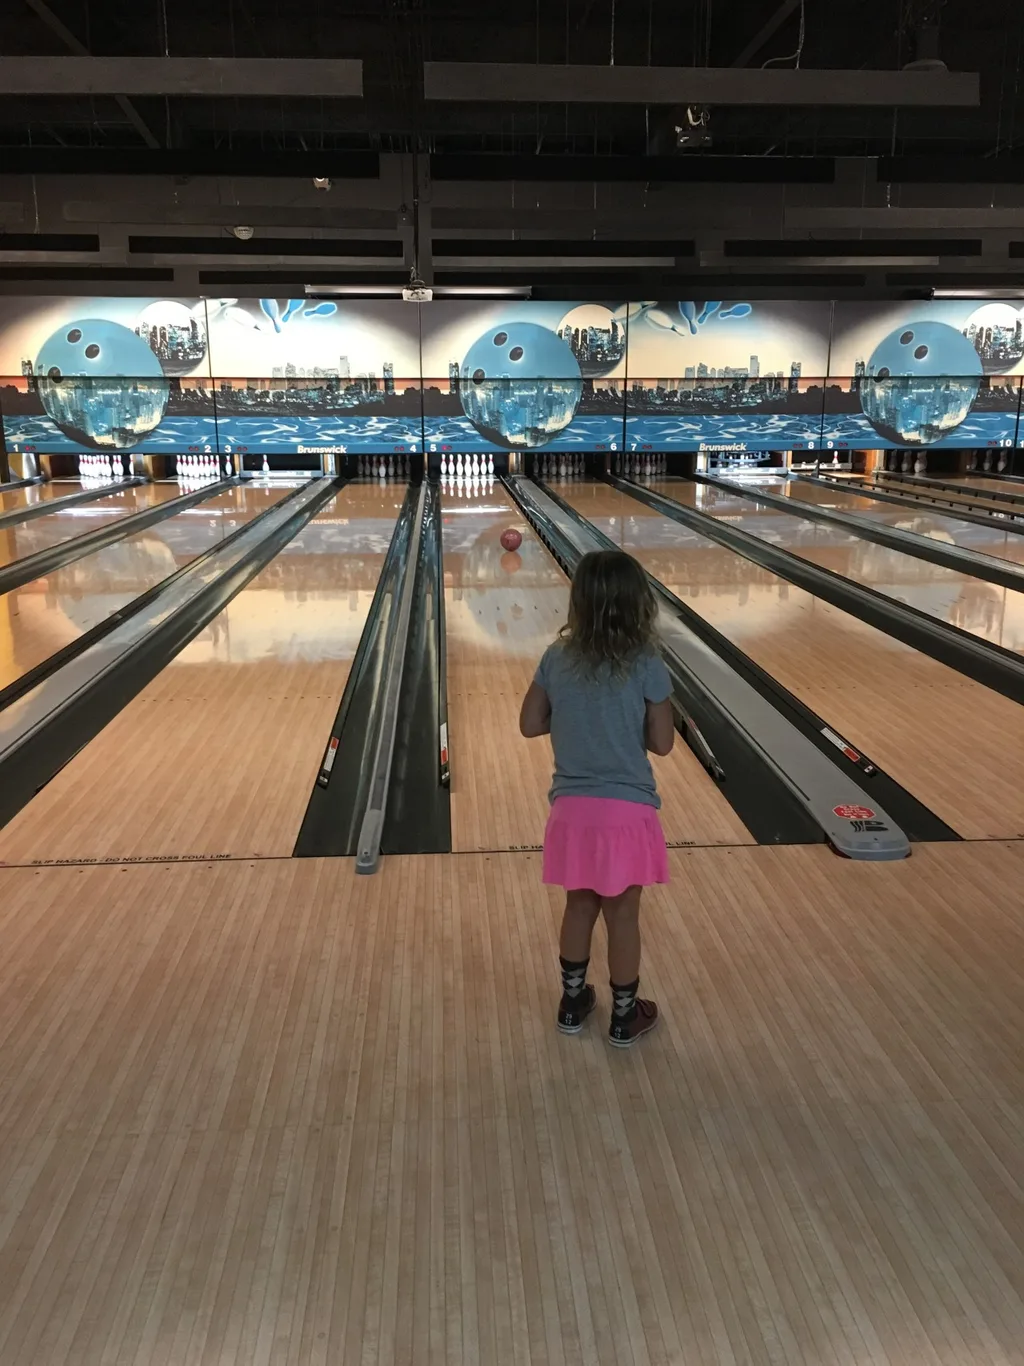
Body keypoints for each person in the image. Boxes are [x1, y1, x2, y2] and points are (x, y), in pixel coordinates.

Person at [519, 549, 674, 1047]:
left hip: (572, 811)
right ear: (639, 602)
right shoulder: (646, 661)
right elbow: (663, 743)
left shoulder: (557, 657)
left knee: (579, 907)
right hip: (627, 811)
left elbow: (530, 724)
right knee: (623, 916)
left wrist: (574, 720)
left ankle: (572, 1004)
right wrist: (625, 725)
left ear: (578, 601)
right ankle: (624, 1017)